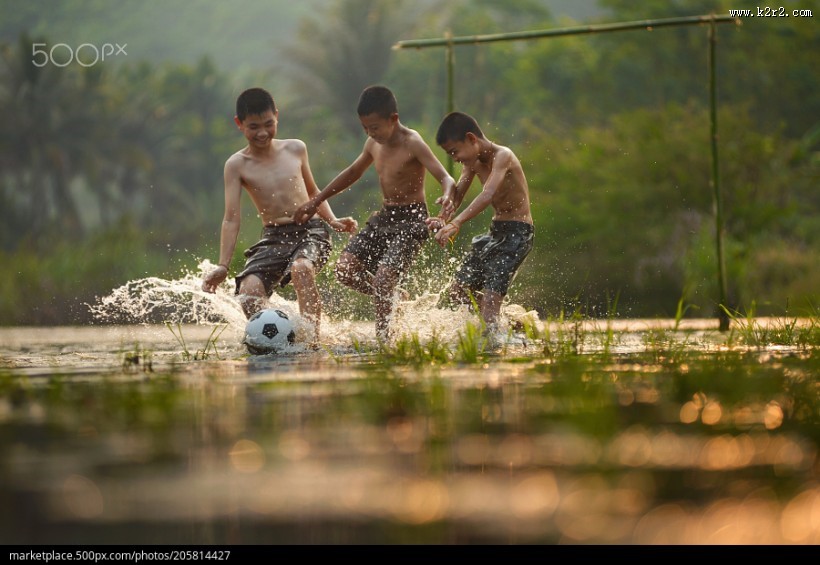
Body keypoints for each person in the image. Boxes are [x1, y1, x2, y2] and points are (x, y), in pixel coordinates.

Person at [293, 85, 456, 341]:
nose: (370, 133)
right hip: (385, 216)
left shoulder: (412, 142)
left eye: (375, 127)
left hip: (412, 219)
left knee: (383, 276)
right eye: (365, 128)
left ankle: (384, 340)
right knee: (344, 269)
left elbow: (445, 177)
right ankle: (393, 296)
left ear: (393, 119)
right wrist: (317, 201)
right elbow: (353, 172)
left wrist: (447, 195)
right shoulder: (372, 143)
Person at [201, 87, 357, 343]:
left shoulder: (295, 149)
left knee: (302, 269)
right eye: (253, 127)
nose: (262, 133)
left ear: (277, 116)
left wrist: (333, 220)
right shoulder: (236, 165)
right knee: (249, 292)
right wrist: (223, 265)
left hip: (310, 230)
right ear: (239, 124)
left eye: (268, 124)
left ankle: (311, 343)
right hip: (273, 236)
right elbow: (231, 218)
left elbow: (313, 190)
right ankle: (278, 342)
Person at [426, 111, 534, 339]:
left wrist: (456, 223)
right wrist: (443, 217)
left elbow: (487, 195)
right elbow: (458, 196)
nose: (455, 158)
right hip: (495, 232)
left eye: (454, 151)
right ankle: (511, 325)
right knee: (458, 291)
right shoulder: (473, 162)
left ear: (472, 139)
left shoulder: (503, 156)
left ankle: (495, 343)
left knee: (490, 302)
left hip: (517, 234)